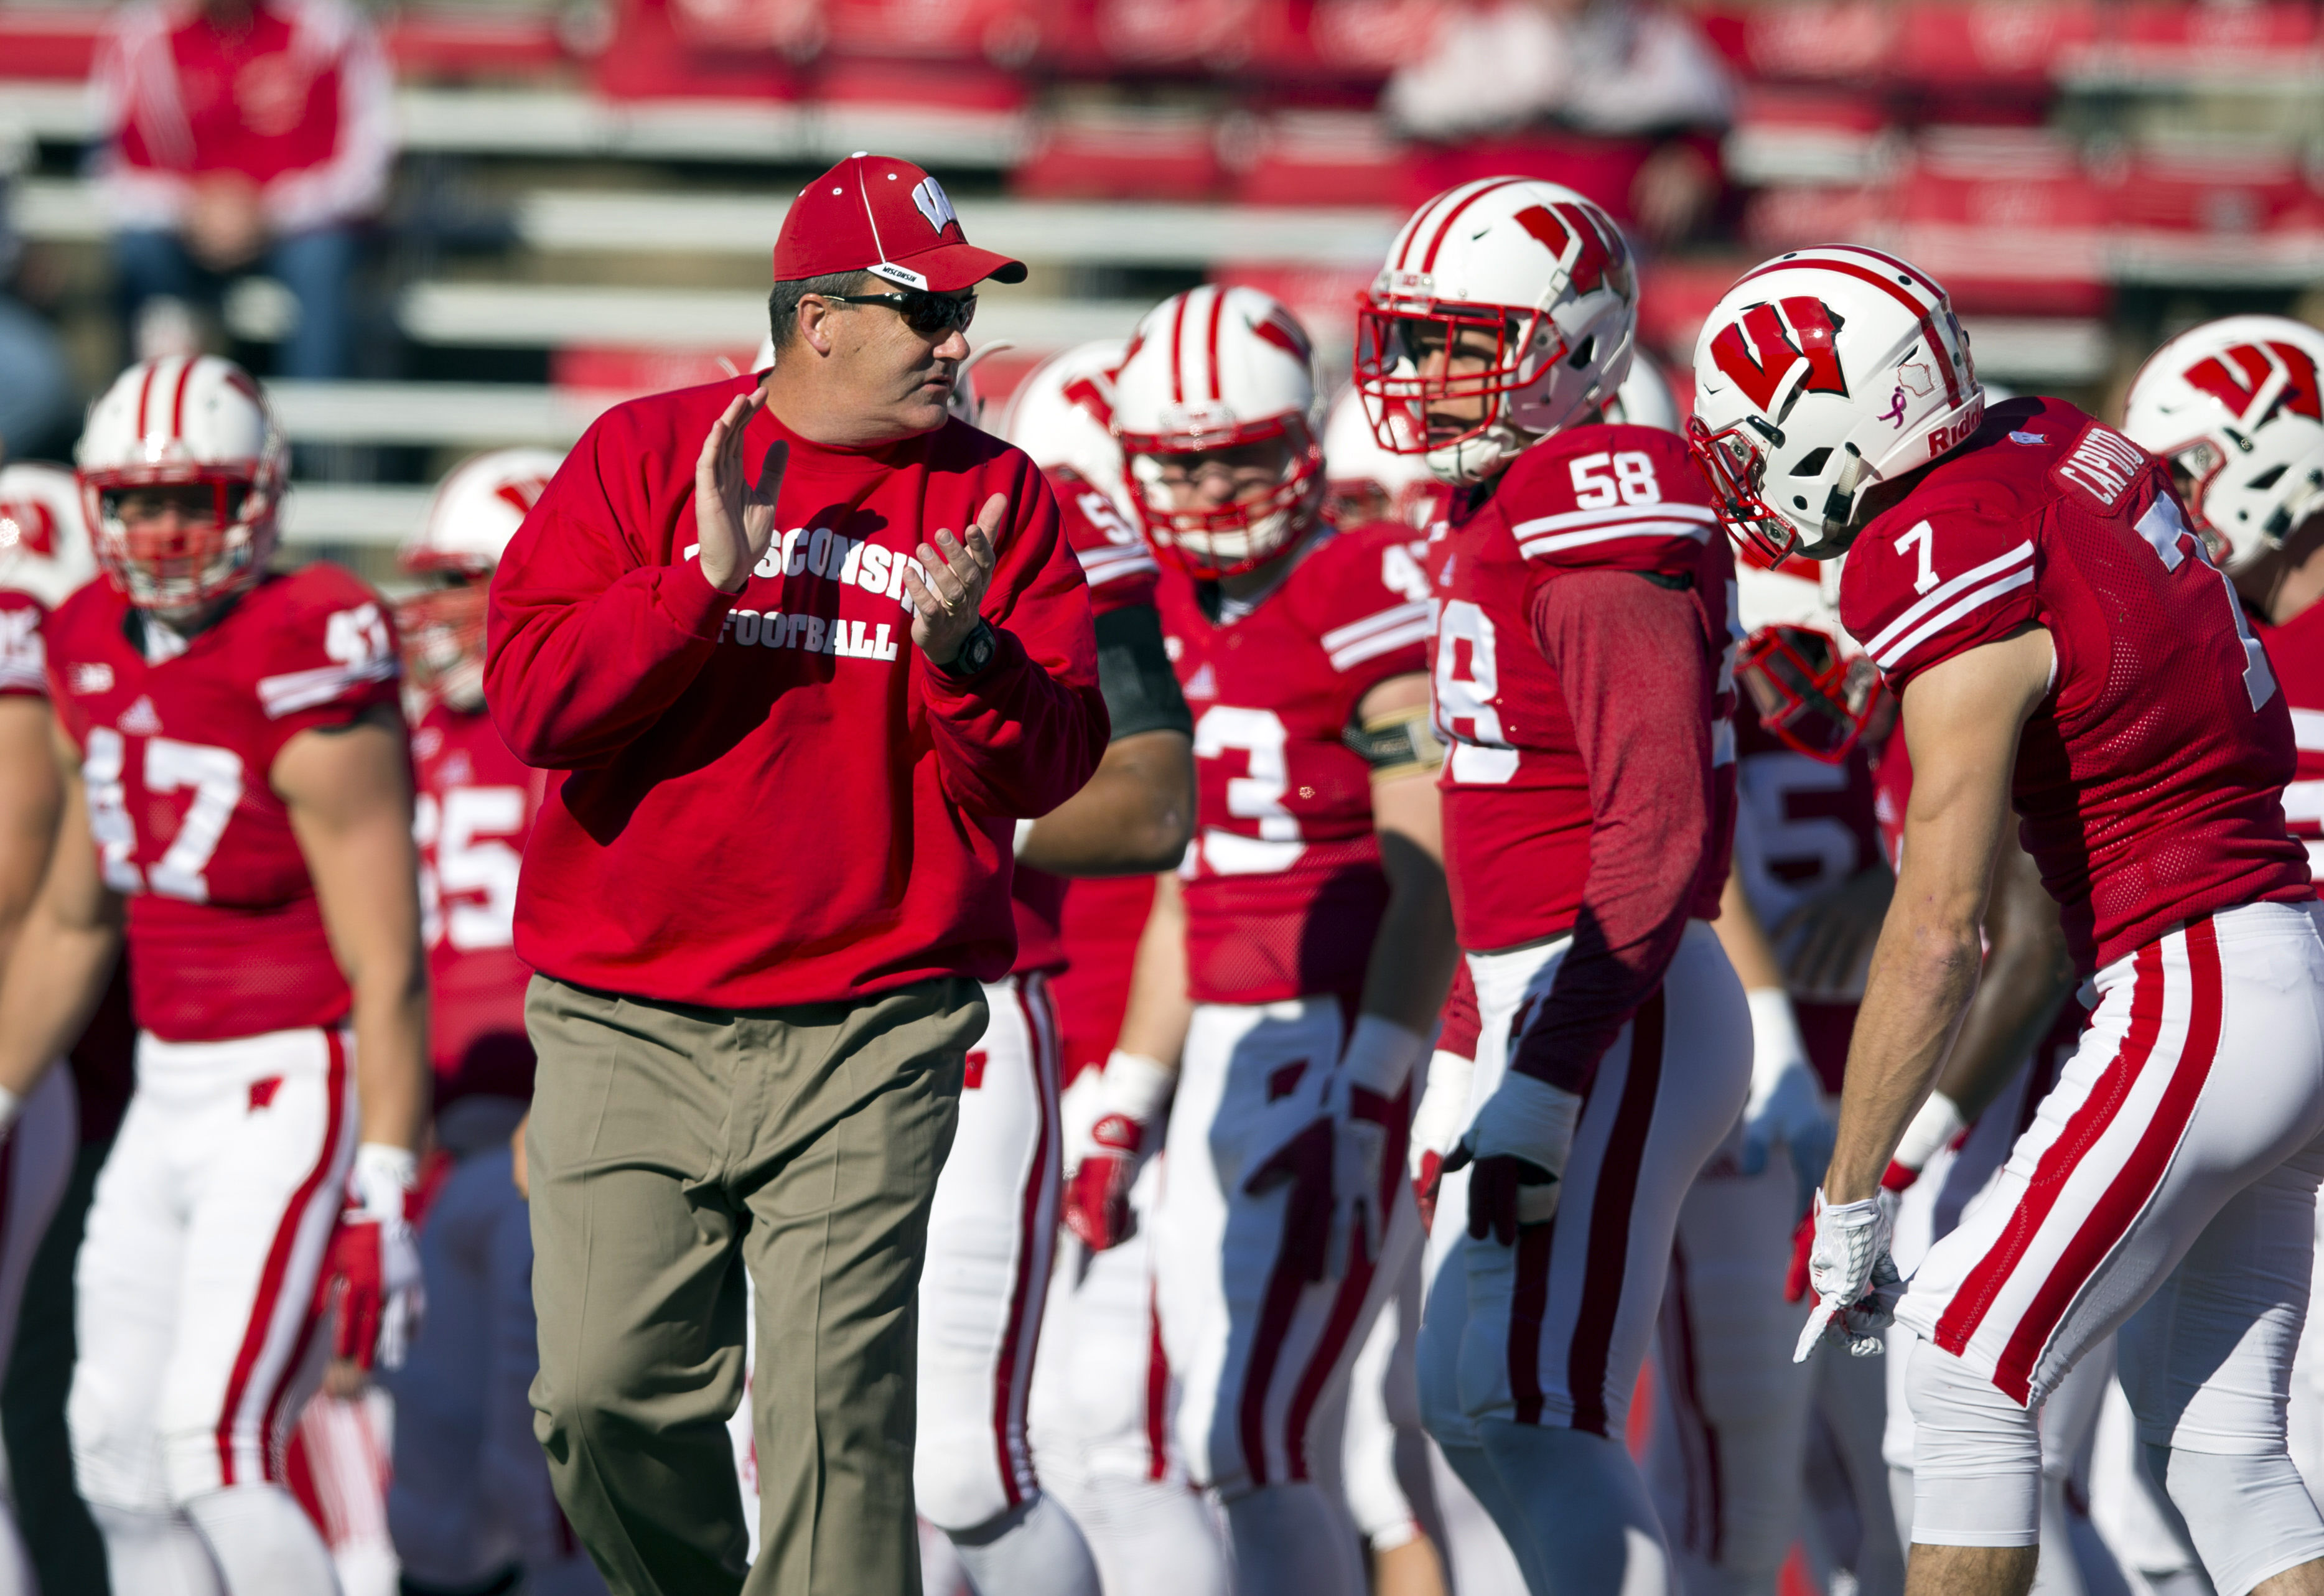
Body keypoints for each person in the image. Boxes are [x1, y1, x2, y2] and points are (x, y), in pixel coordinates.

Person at [483, 153, 1108, 1596]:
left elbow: (1052, 764)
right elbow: (532, 704)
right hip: (624, 1013)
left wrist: (968, 657)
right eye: (925, 313)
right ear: (818, 320)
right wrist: (694, 581)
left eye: (962, 316)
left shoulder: (1001, 495)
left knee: (837, 1419)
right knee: (595, 1395)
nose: (958, 344)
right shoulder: (645, 457)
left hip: (871, 1020)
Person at [1691, 244, 2324, 1596]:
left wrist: (1855, 1185)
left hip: (2192, 974)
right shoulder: (2045, 440)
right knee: (2222, 1453)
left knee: (1962, 1362)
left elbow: (1941, 924)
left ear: (1843, 414)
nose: (1740, 472)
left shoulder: (1941, 539)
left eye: (1753, 436)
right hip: (2268, 952)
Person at [1358, 175, 1748, 1595]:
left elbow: (1654, 819)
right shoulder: (1512, 495)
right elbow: (1490, 834)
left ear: (1574, 346)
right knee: (1471, 1397)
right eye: (1412, 340)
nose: (1419, 373)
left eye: (1462, 339)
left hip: (1615, 992)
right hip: (1546, 989)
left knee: (1535, 1400)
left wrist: (1548, 1060)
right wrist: (1466, 1050)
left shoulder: (1597, 492)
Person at [0, 352, 428, 1594]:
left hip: (290, 1075)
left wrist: (387, 1177)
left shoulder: (304, 640)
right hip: (163, 1085)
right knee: (113, 1455)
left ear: (260, 498)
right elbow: (80, 917)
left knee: (217, 1443)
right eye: (136, 501)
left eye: (194, 496)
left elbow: (385, 954)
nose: (164, 529)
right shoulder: (85, 635)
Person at [1077, 282, 1455, 1596]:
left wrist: (1374, 1087)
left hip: (1338, 1030)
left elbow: (1431, 870)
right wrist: (1128, 1095)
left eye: (1235, 449)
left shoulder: (1364, 582)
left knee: (1264, 1435)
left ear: (1300, 441)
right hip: (1229, 1055)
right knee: (1214, 1437)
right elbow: (1194, 885)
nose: (1205, 486)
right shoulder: (1157, 612)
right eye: (1175, 460)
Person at [913, 338, 1194, 1596]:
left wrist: (912, 812)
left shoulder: (1042, 515)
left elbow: (1151, 809)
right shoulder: (722, 514)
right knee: (774, 1452)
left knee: (979, 1467)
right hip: (768, 1013)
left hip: (982, 1015)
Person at [369, 447, 607, 1596]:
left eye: (473, 580)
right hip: (435, 1149)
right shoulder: (397, 736)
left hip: (557, 1143)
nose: (441, 615)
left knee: (546, 1477)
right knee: (423, 1492)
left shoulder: (589, 737)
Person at [2122, 314, 2324, 1530]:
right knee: (2168, 1467)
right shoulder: (2193, 638)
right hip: (2239, 1093)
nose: (2173, 512)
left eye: (2187, 468)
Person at [91, 0, 393, 378]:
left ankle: (317, 429)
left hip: (296, 232)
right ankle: (155, 419)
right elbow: (111, 169)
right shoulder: (142, 32)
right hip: (184, 233)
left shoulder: (329, 27)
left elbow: (366, 167)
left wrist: (266, 210)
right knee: (143, 254)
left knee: (322, 260)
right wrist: (194, 208)